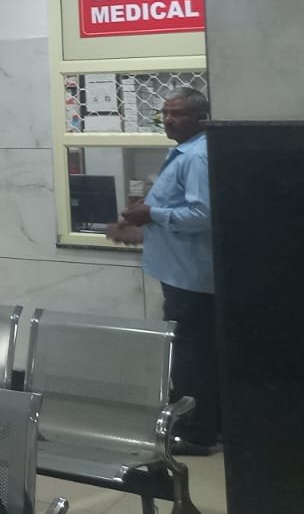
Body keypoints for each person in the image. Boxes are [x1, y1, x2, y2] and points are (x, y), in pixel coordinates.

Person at [106, 87, 217, 454]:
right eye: (165, 114)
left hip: (191, 278)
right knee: (190, 353)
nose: (168, 120)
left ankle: (196, 433)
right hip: (178, 272)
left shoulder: (197, 156)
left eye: (177, 114)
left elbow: (203, 215)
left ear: (201, 117)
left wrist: (151, 214)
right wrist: (140, 225)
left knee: (192, 357)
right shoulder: (184, 150)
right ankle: (196, 422)